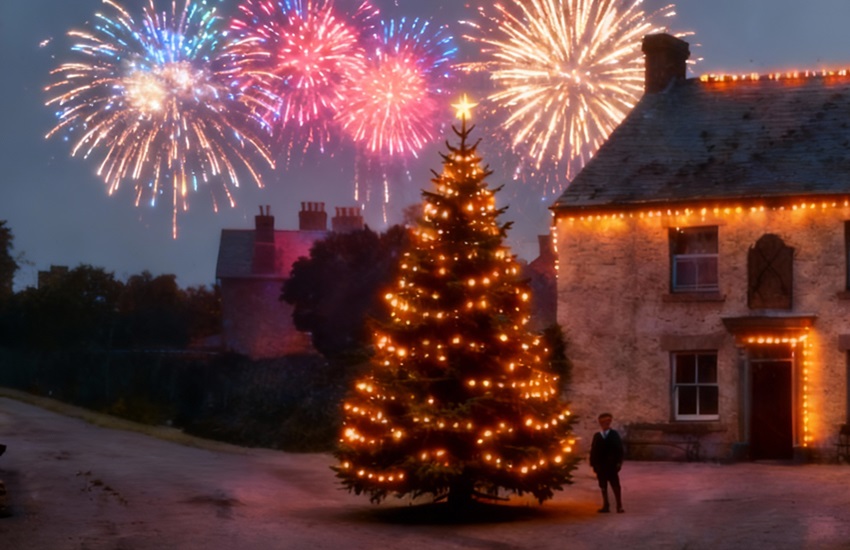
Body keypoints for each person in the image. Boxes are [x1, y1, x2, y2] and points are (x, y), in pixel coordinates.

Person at [589, 412, 624, 513]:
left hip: (611, 464)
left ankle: (619, 505)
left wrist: (618, 462)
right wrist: (594, 464)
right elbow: (594, 450)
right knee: (603, 485)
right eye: (603, 422)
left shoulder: (614, 435)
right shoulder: (597, 436)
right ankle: (606, 505)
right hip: (601, 465)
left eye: (607, 422)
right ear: (600, 423)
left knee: (615, 484)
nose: (605, 424)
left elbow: (619, 449)